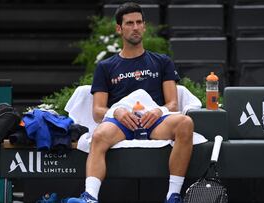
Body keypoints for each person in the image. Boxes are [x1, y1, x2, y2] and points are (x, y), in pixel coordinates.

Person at [67, 2, 193, 203]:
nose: (135, 27)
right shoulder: (105, 66)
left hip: (155, 122)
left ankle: (173, 195)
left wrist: (159, 111)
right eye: (129, 23)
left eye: (139, 22)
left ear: (144, 26)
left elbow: (173, 105)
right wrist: (116, 112)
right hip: (121, 124)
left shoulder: (162, 61)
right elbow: (98, 111)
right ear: (119, 28)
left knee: (185, 123)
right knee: (99, 135)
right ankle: (90, 197)